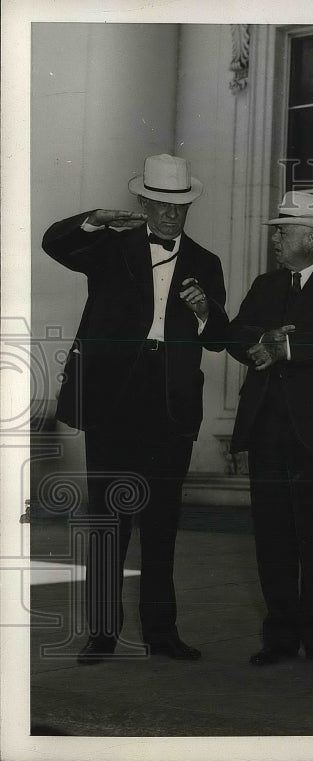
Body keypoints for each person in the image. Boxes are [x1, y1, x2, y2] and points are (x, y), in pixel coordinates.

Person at [41, 153, 229, 664]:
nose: (170, 216)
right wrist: (94, 219)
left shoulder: (206, 262)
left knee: (163, 523)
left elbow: (219, 339)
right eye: (160, 205)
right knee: (109, 521)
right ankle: (102, 635)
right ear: (143, 203)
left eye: (179, 207)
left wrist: (205, 310)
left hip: (171, 401)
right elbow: (53, 242)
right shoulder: (107, 248)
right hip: (113, 399)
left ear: (188, 207)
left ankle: (162, 634)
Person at [228, 191, 313, 668]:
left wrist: (288, 348)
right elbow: (236, 333)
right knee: (272, 538)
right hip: (266, 431)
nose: (275, 239)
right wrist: (263, 340)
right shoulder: (265, 285)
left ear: (311, 237)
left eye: (282, 231)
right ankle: (279, 638)